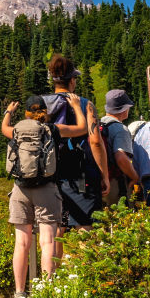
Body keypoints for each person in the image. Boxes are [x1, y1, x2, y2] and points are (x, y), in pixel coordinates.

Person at [2, 94, 86, 298]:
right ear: (44, 111)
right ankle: (47, 292)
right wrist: (75, 106)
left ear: (27, 112)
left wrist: (9, 111)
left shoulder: (17, 130)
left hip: (20, 190)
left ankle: (20, 293)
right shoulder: (53, 129)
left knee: (21, 242)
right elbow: (82, 128)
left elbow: (4, 128)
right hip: (47, 188)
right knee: (47, 241)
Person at [43, 55, 108, 244]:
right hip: (81, 173)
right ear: (72, 80)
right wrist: (103, 175)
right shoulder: (86, 104)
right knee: (85, 225)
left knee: (57, 228)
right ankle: (83, 271)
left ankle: (53, 272)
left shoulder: (43, 106)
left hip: (52, 172)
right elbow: (95, 141)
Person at [100, 90, 140, 207]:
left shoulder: (98, 125)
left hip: (98, 180)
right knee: (121, 219)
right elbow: (121, 157)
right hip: (115, 183)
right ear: (124, 109)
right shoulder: (120, 129)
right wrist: (134, 176)